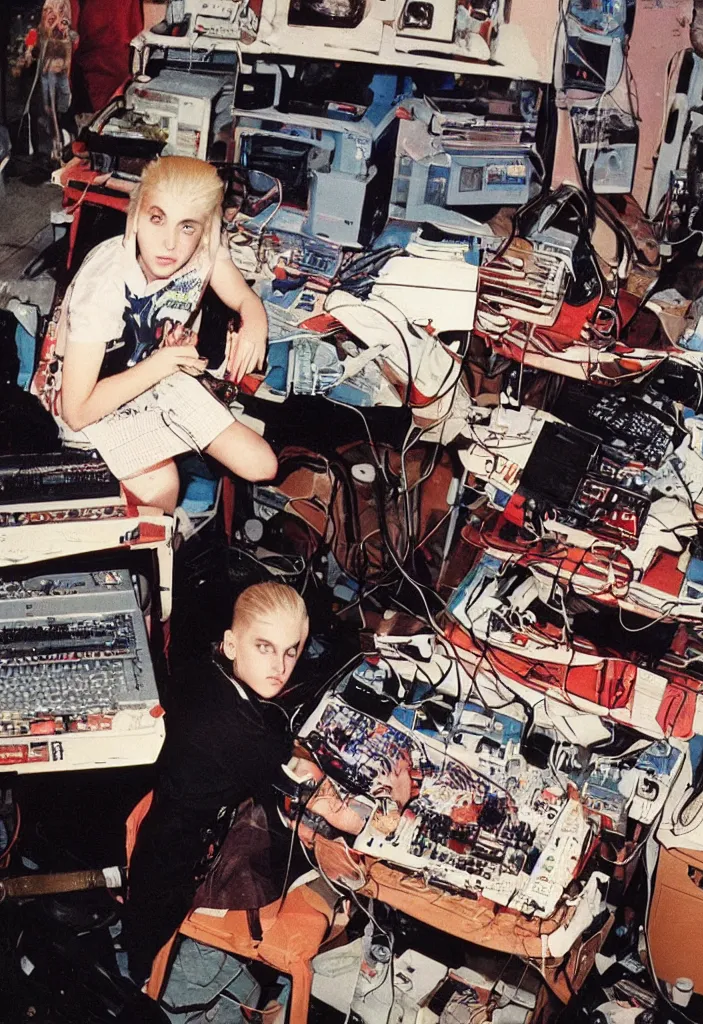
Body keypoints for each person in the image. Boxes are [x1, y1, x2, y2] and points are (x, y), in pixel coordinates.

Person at [31, 155, 276, 513]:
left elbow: (240, 294)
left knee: (261, 465)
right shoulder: (104, 285)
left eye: (187, 227)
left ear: (206, 228)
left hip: (152, 370)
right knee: (163, 493)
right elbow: (77, 411)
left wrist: (256, 319)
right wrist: (163, 363)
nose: (170, 244)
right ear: (135, 216)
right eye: (157, 219)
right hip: (86, 393)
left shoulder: (203, 245)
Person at [122, 582, 309, 983]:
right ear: (231, 644)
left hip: (173, 833)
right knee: (308, 850)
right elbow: (307, 798)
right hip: (175, 870)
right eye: (265, 647)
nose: (280, 665)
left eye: (290, 651)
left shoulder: (206, 671)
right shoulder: (237, 734)